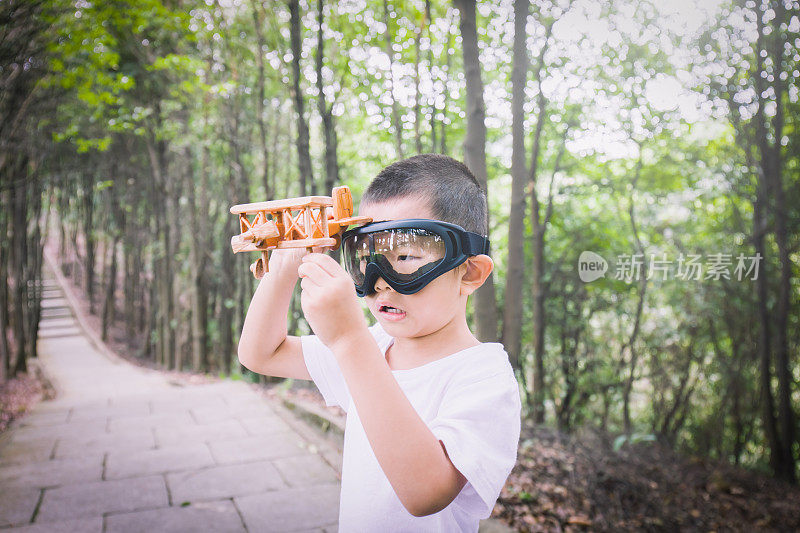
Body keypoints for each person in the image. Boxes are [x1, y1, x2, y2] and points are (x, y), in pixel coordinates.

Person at [238, 153, 521, 532]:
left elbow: (425, 493)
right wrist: (285, 267)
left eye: (405, 256)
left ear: (469, 272)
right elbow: (261, 354)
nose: (380, 279)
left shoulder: (484, 377)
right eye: (365, 258)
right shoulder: (373, 344)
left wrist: (348, 339)